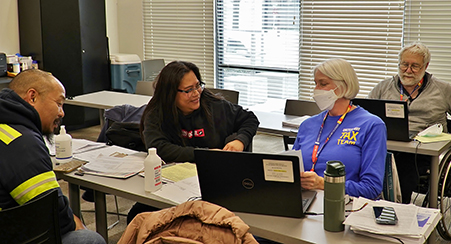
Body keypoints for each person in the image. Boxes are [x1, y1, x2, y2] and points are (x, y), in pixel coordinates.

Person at [127, 60, 259, 223]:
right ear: (170, 94)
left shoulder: (213, 106)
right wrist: (205, 155)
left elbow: (250, 119)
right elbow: (160, 148)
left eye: (198, 86)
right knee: (137, 217)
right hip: (172, 184)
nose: (196, 93)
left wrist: (241, 140)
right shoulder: (156, 113)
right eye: (188, 90)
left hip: (211, 184)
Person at [0, 69, 105, 243]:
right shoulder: (22, 143)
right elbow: (52, 214)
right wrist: (73, 220)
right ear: (32, 97)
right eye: (59, 103)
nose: (62, 113)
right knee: (89, 239)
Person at [368, 42, 451, 203]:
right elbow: (366, 115)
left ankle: (397, 210)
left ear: (425, 66)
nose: (408, 70)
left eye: (415, 66)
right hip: (388, 145)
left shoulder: (442, 90)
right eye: (404, 64)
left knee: (402, 168)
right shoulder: (383, 87)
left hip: (422, 151)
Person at [293, 58, 387, 199]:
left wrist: (324, 184)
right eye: (315, 83)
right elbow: (291, 170)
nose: (316, 90)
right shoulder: (308, 125)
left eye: (323, 84)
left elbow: (371, 188)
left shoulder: (371, 125)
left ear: (344, 86)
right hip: (303, 201)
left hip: (344, 204)